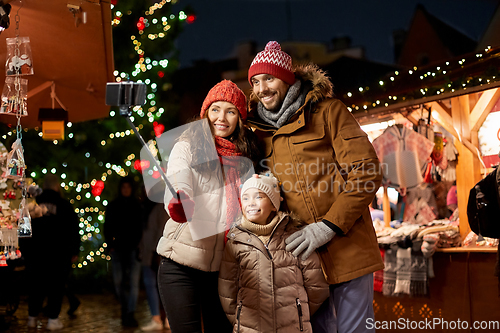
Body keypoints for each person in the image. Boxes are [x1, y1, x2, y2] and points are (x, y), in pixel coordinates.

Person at [247, 41, 384, 333]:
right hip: (301, 261)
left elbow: (367, 172)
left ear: (286, 79)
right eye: (255, 82)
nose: (262, 88)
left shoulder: (329, 113)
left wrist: (327, 227)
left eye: (269, 78)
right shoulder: (259, 134)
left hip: (347, 248)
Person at [156, 80, 261, 333]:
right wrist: (180, 201)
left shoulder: (245, 159)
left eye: (231, 111)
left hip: (222, 270)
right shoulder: (189, 145)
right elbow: (179, 176)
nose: (221, 118)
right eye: (215, 109)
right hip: (180, 264)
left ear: (240, 118)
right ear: (206, 113)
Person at [219, 173, 329, 332]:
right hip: (250, 328)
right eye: (246, 198)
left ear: (273, 204)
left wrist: (299, 313)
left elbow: (316, 286)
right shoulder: (235, 242)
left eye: (258, 197)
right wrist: (240, 316)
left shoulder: (294, 237)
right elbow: (227, 289)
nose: (251, 203)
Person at [23, 174, 80, 331]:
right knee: (56, 286)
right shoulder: (64, 205)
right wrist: (74, 250)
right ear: (57, 186)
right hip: (58, 254)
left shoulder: (33, 204)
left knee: (36, 286)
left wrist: (25, 249)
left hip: (36, 253)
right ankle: (53, 319)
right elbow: (73, 229)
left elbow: (24, 228)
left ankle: (32, 317)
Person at [103, 176, 143, 327]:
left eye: (128, 187)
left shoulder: (137, 205)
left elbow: (140, 227)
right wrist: (110, 244)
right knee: (118, 282)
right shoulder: (114, 206)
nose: (126, 190)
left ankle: (130, 313)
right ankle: (125, 309)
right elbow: (107, 226)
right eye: (123, 187)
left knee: (133, 283)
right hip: (118, 248)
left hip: (133, 249)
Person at [139, 195, 170, 331]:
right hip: (148, 253)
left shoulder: (160, 208)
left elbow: (161, 231)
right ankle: (157, 318)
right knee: (151, 285)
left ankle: (166, 318)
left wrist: (154, 251)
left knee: (161, 287)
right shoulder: (146, 208)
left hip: (155, 253)